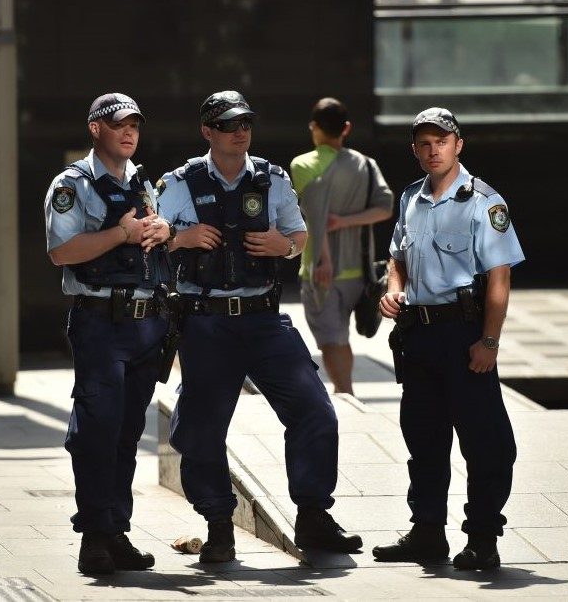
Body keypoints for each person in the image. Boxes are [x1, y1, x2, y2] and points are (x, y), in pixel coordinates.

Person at [157, 90, 363, 562]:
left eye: (246, 122)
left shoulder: (272, 179)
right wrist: (180, 237)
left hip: (264, 320)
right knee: (203, 428)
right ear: (208, 131)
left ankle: (313, 516)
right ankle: (218, 525)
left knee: (315, 411)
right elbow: (149, 242)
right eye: (229, 125)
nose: (240, 131)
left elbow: (299, 237)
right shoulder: (178, 184)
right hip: (206, 323)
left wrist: (283, 246)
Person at [372, 108, 525, 570]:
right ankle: (426, 533)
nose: (432, 149)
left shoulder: (483, 202)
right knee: (423, 438)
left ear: (459, 144)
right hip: (418, 336)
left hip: (464, 337)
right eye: (423, 143)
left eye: (441, 140)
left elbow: (499, 280)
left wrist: (489, 342)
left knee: (487, 443)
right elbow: (397, 256)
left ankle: (482, 537)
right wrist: (393, 288)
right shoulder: (411, 198)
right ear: (415, 150)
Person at [44, 93, 172, 575]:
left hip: (146, 322)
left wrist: (160, 232)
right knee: (97, 430)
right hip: (100, 321)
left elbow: (150, 240)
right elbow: (62, 251)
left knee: (126, 432)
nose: (129, 131)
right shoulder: (72, 185)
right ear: (95, 128)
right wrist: (122, 234)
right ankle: (94, 536)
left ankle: (117, 531)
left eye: (135, 124)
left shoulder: (141, 182)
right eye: (119, 123)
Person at [290, 97, 393, 395]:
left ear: (314, 127)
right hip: (359, 274)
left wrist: (323, 260)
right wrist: (348, 220)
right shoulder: (366, 165)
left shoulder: (304, 164)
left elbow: (314, 216)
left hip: (322, 272)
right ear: (346, 128)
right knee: (340, 338)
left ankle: (345, 393)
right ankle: (344, 392)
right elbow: (385, 208)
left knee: (333, 339)